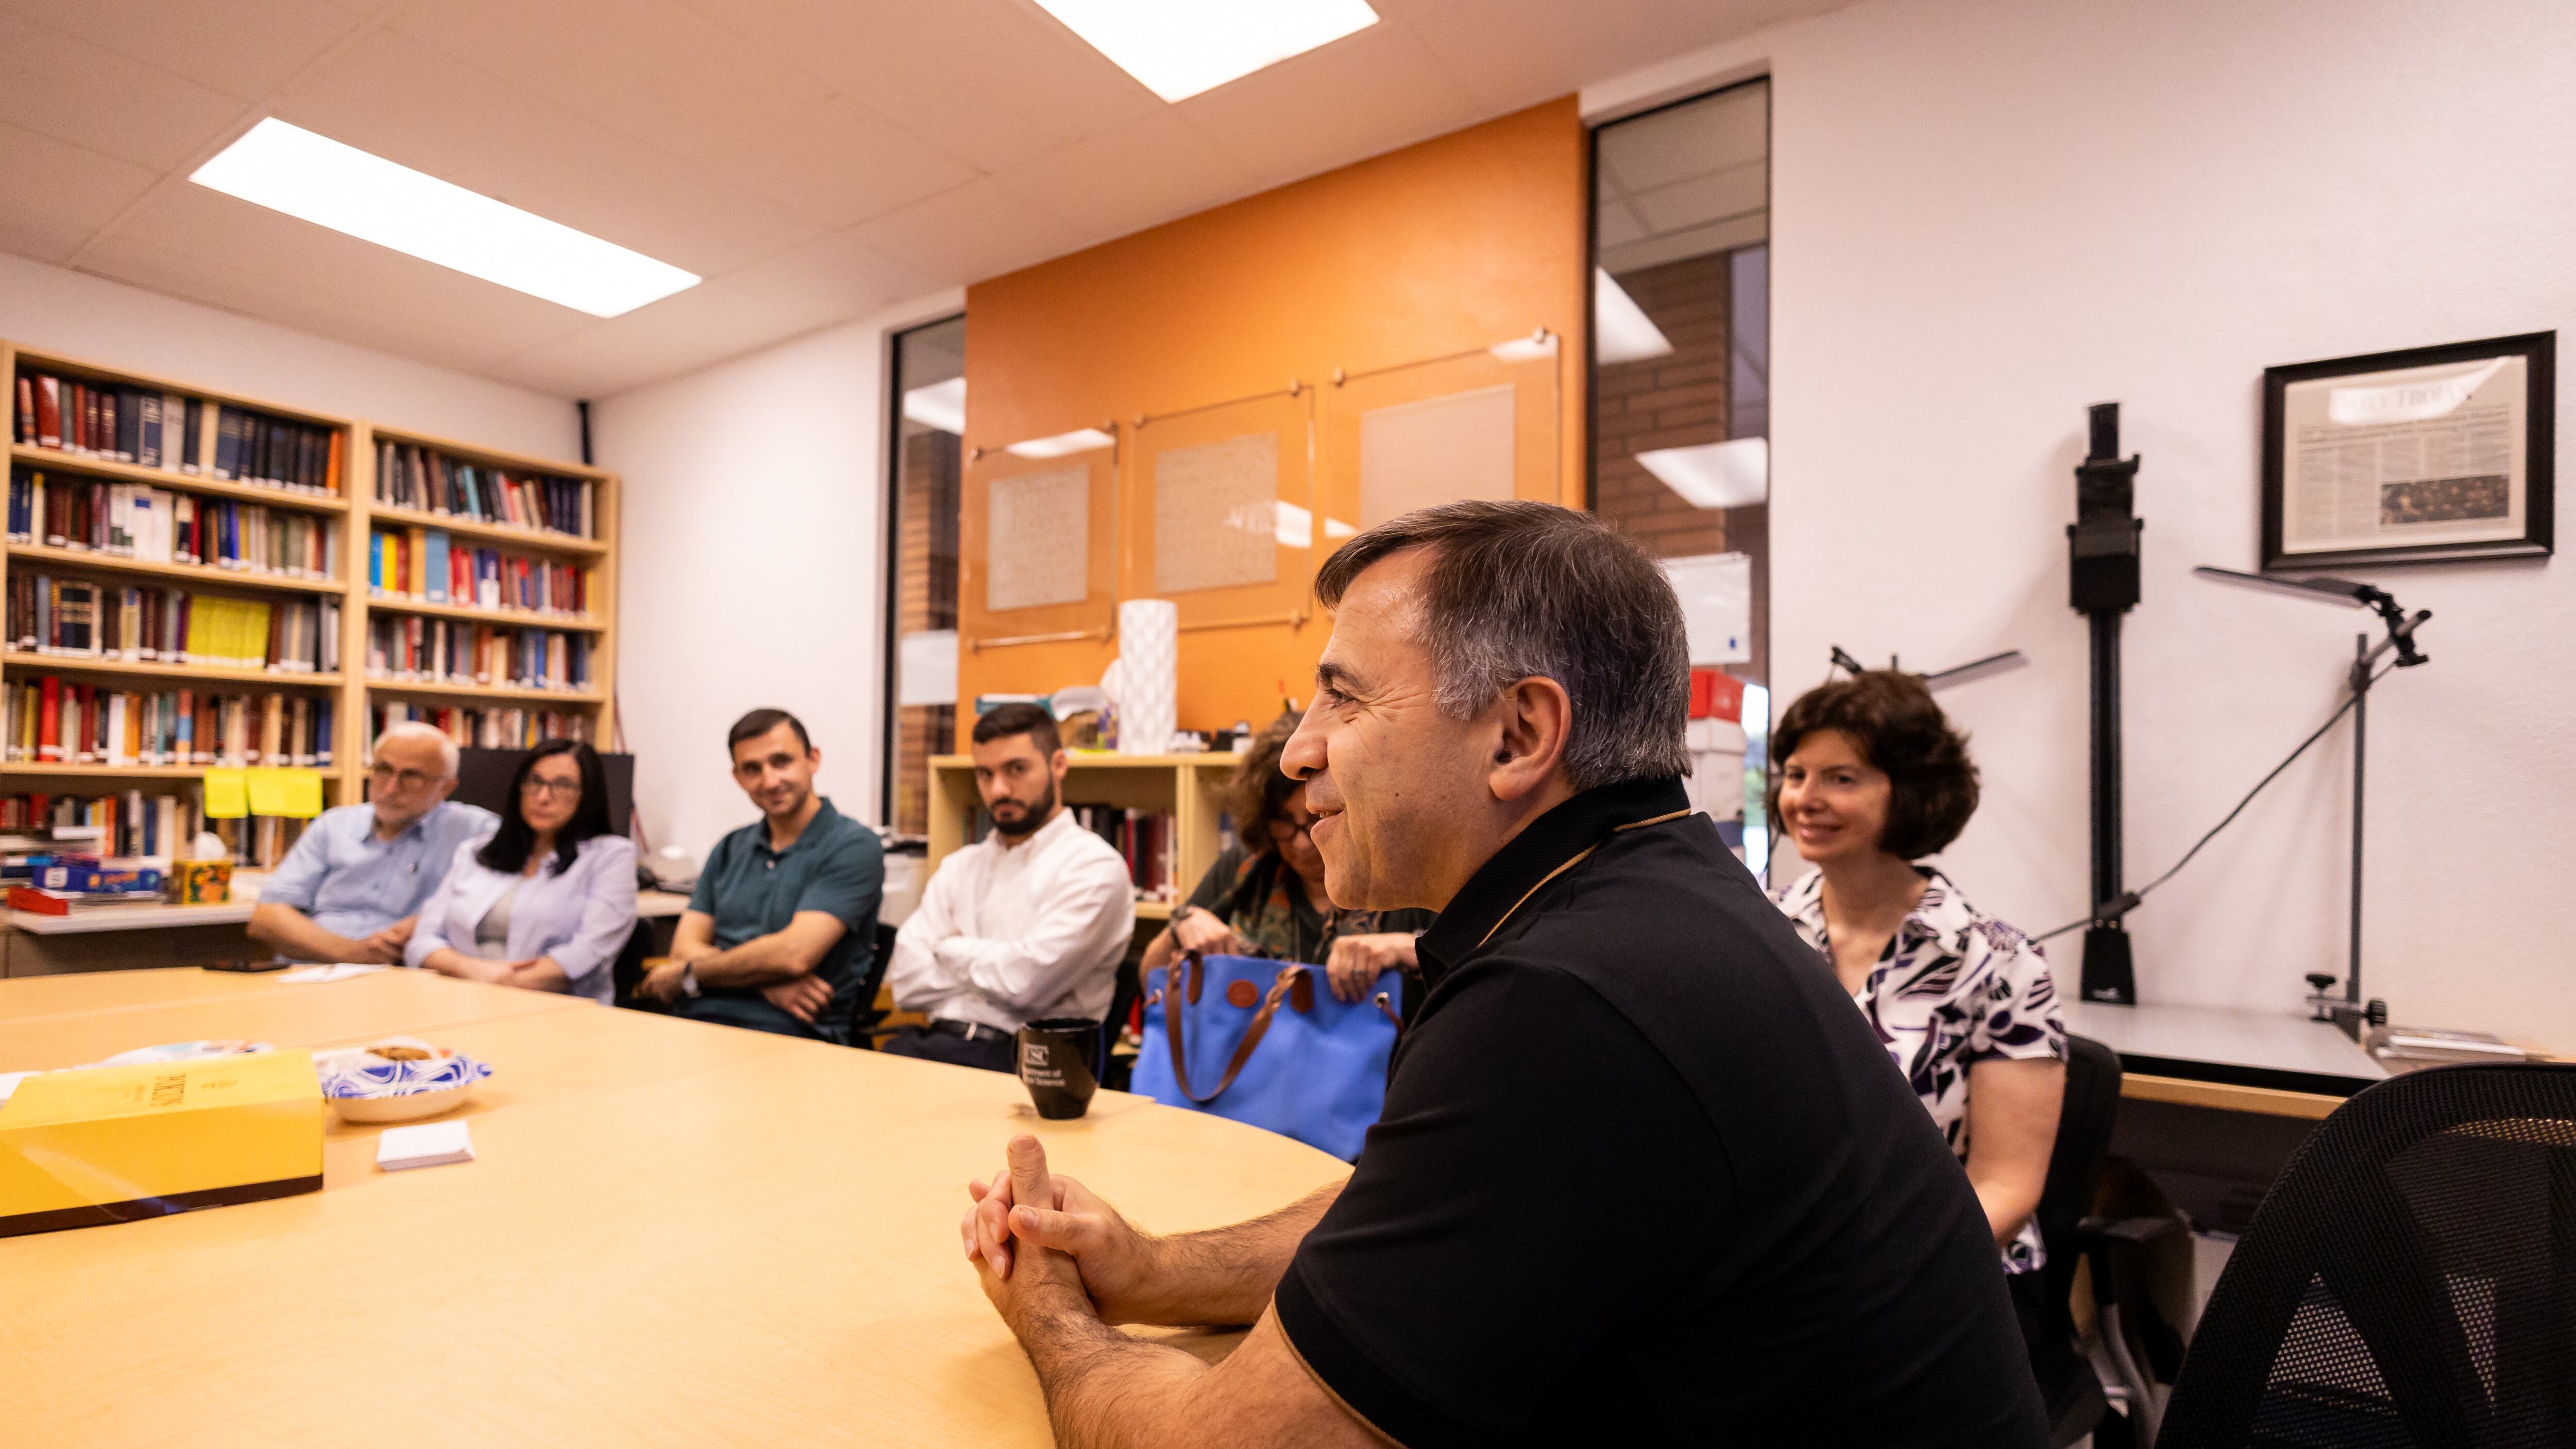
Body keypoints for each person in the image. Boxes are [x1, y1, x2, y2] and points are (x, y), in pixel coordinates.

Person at [957, 501, 2048, 1446]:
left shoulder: (1573, 998)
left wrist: (1053, 1313)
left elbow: (1224, 1438)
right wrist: (1150, 1268)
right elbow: (1435, 1211)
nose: (1298, 750)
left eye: (1343, 698)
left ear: (1519, 733)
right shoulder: (1643, 899)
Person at [1767, 669, 2077, 1424]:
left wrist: (1865, 1281)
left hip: (1953, 1289)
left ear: (1909, 793)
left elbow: (2007, 1186)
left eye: (1841, 778)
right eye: (1797, 774)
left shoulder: (1998, 959)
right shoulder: (1764, 936)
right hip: (1792, 1280)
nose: (1806, 797)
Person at [882, 702, 1132, 1073]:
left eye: (1016, 769)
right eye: (985, 774)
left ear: (1058, 765)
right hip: (931, 1045)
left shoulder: (1094, 867)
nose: (998, 790)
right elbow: (906, 982)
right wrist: (999, 963)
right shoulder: (960, 866)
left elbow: (1024, 986)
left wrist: (945, 948)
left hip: (1026, 1062)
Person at [1139, 712, 1431, 1003]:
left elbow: (1468, 982)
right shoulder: (1248, 866)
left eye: (1318, 817)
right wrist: (1180, 928)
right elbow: (1150, 980)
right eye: (1284, 822)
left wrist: (1407, 948)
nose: (1302, 843)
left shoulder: (1404, 880)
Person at [635, 709, 885, 1043]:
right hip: (699, 1023)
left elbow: (793, 955)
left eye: (781, 762)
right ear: (737, 777)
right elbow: (683, 949)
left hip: (795, 1036)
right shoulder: (729, 848)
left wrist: (687, 974)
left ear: (813, 760)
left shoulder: (853, 846)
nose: (769, 781)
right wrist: (769, 983)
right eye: (753, 769)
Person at [406, 739, 637, 1002]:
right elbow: (424, 941)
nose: (543, 797)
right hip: (462, 999)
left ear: (587, 795)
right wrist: (476, 973)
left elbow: (589, 951)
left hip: (558, 1009)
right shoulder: (474, 852)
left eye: (562, 785)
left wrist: (504, 986)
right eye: (535, 782)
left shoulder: (611, 856)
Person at [249, 722, 497, 963]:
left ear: (446, 788)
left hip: (405, 976)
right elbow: (267, 917)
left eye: (411, 776)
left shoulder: (477, 832)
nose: (390, 789)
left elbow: (499, 909)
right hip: (317, 966)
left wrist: (430, 921)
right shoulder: (335, 825)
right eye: (383, 770)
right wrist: (355, 954)